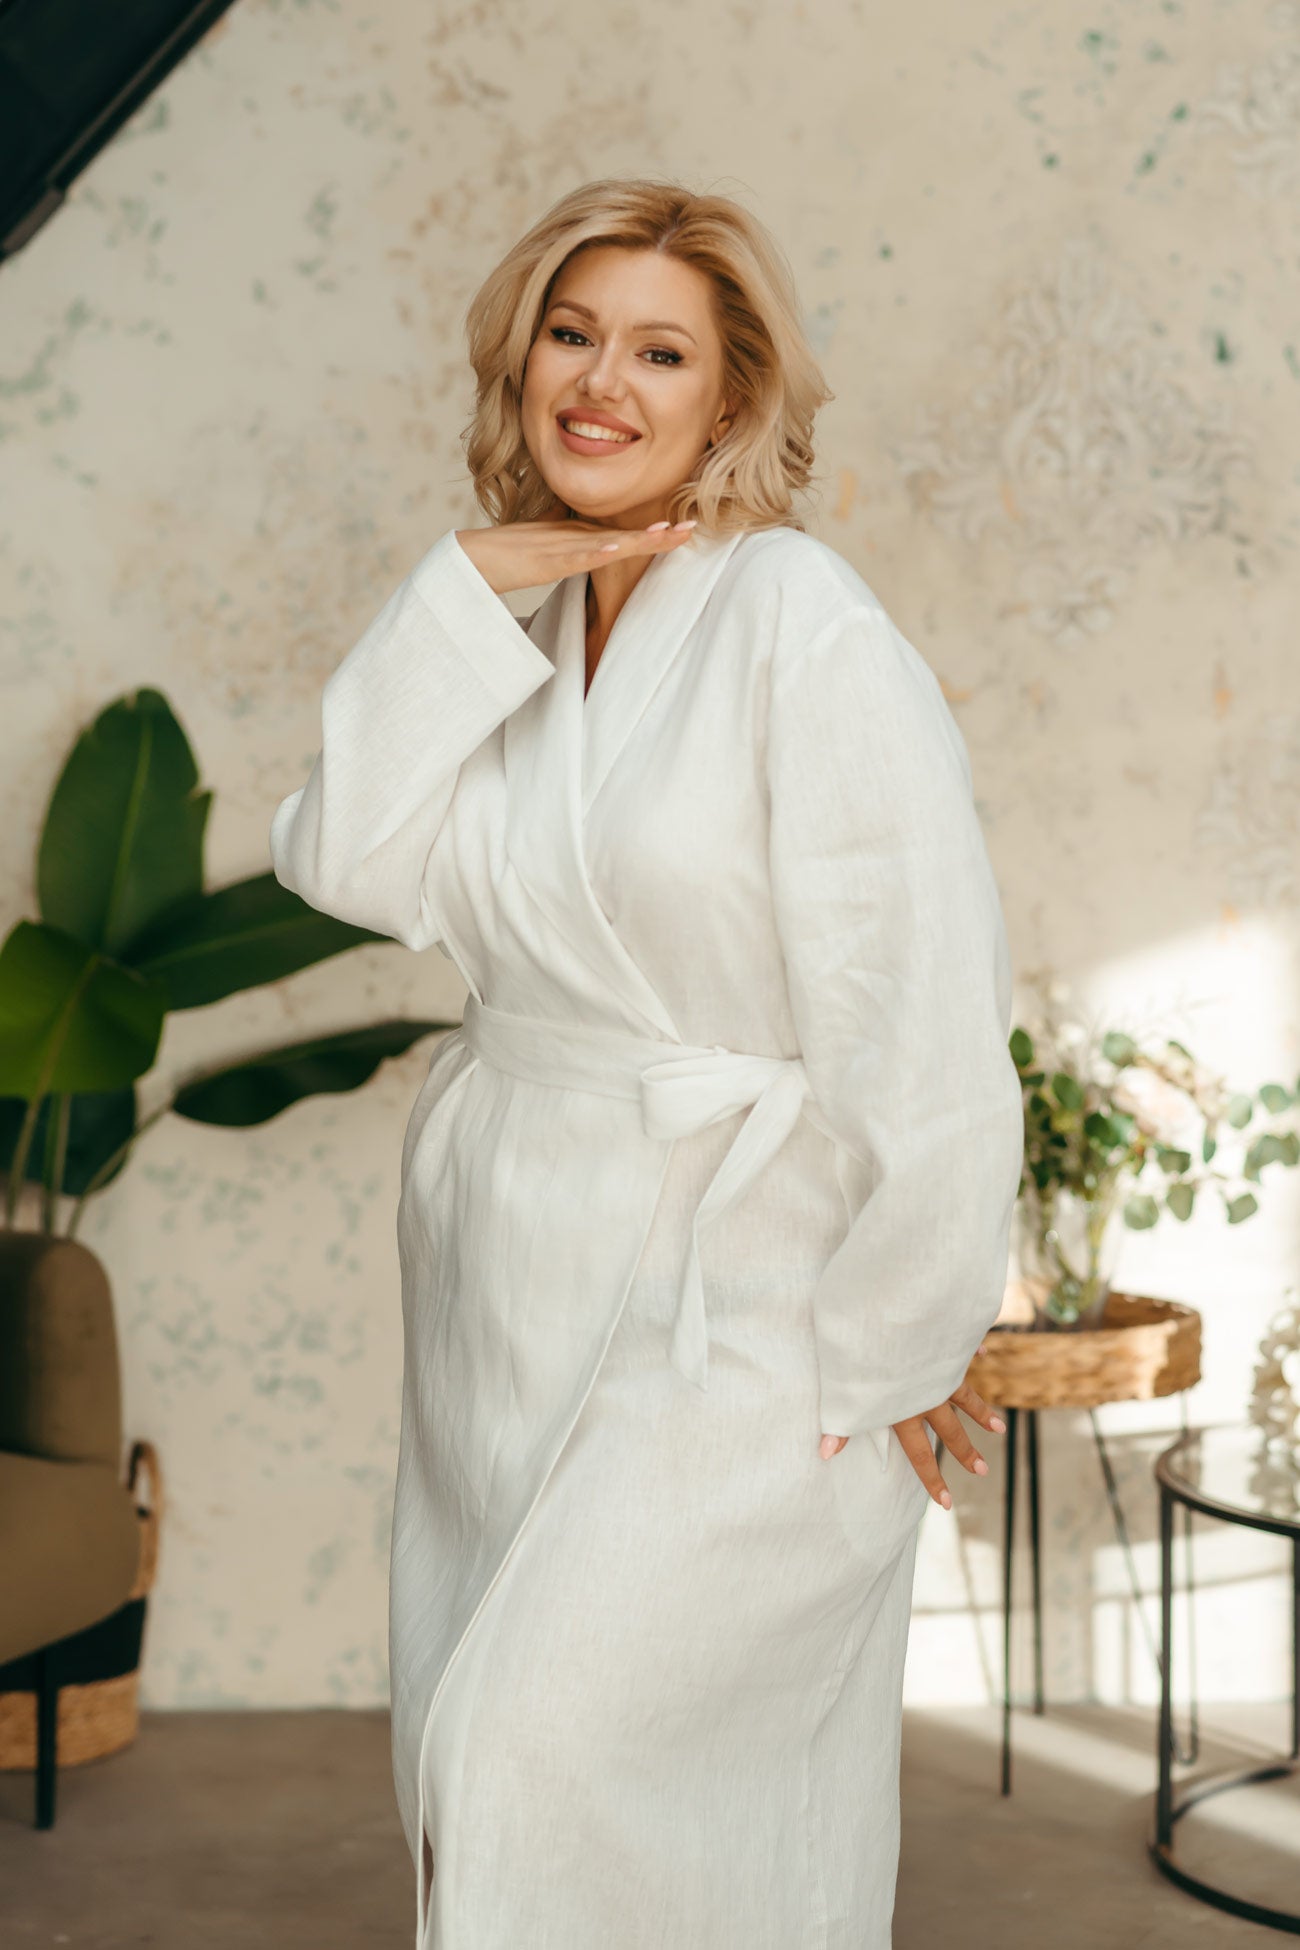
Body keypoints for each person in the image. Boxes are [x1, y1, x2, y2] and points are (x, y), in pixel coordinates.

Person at [268, 175, 1024, 1950]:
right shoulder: (514, 634)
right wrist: (460, 587)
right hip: (509, 1283)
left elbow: (917, 1001)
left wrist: (905, 1333)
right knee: (475, 1777)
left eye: (662, 349)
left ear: (733, 398)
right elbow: (348, 861)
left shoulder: (798, 621)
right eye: (572, 332)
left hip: (752, 1313)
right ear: (521, 361)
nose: (603, 380)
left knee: (561, 1753)